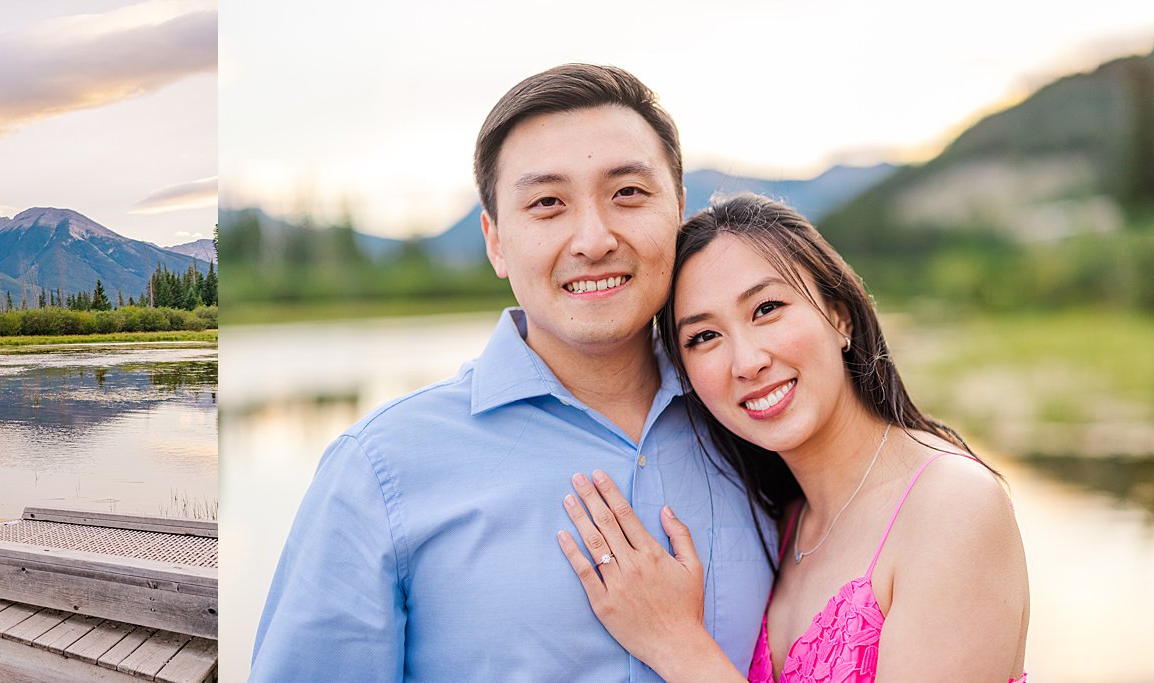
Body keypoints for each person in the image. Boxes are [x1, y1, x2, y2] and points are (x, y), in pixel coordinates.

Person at [250, 64, 774, 681]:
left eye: (628, 193)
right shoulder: (378, 470)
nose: (593, 238)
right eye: (547, 203)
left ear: (679, 212)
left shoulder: (758, 425)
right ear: (495, 240)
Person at [553, 195, 1029, 682]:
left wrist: (676, 644)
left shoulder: (952, 504)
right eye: (704, 337)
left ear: (839, 317)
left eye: (767, 308)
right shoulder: (784, 522)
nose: (747, 361)